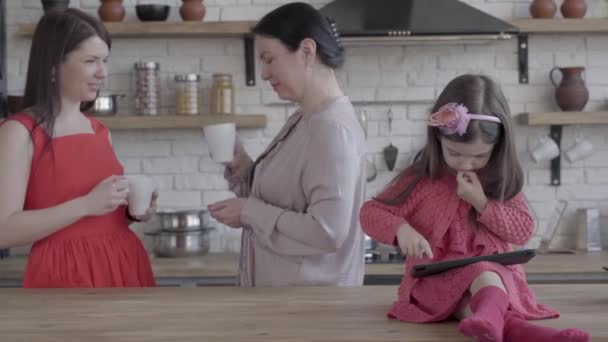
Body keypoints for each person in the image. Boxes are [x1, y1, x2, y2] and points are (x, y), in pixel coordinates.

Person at [360, 74, 590, 342]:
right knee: (480, 280)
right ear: (437, 140)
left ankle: (490, 326)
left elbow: (522, 230)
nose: (466, 165)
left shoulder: (499, 181)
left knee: (484, 279)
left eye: (479, 156)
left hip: (493, 280)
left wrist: (481, 202)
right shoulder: (422, 180)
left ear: (498, 147)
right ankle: (533, 334)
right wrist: (402, 230)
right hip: (436, 282)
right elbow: (371, 212)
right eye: (455, 153)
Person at [208, 2, 366, 287]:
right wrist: (243, 167)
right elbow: (284, 199)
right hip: (286, 305)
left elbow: (327, 231)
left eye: (269, 58)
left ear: (307, 51)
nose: (264, 73)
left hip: (310, 312)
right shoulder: (304, 119)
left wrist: (249, 212)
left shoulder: (331, 129)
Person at [0, 9, 156, 288]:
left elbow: (97, 220)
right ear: (53, 65)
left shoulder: (99, 131)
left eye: (105, 61)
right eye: (91, 61)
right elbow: (4, 230)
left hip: (123, 262)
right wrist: (86, 205)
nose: (103, 73)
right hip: (65, 272)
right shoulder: (20, 132)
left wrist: (131, 213)